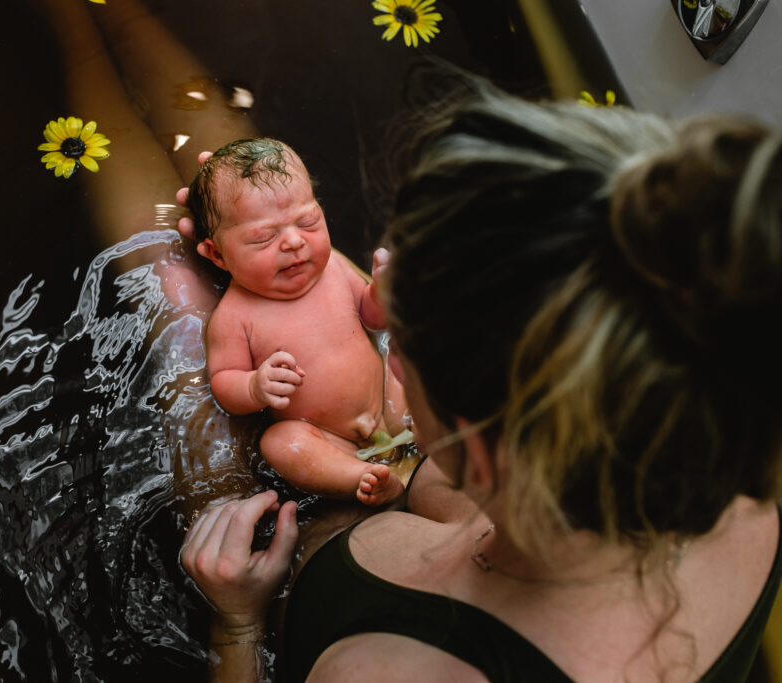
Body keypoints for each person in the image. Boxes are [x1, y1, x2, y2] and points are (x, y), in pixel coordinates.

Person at [180, 79, 782, 682]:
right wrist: (251, 207)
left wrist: (235, 629)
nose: (390, 350)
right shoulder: (741, 475)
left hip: (317, 528)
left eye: (407, 348)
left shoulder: (387, 673)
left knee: (169, 281)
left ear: (478, 451)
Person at [185, 137, 412, 506]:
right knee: (280, 443)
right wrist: (255, 387)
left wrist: (382, 294)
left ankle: (437, 432)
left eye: (308, 221)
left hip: (387, 397)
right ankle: (361, 476)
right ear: (217, 254)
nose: (293, 241)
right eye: (264, 237)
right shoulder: (233, 317)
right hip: (322, 435)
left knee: (408, 360)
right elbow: (223, 382)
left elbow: (373, 320)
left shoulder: (335, 268)